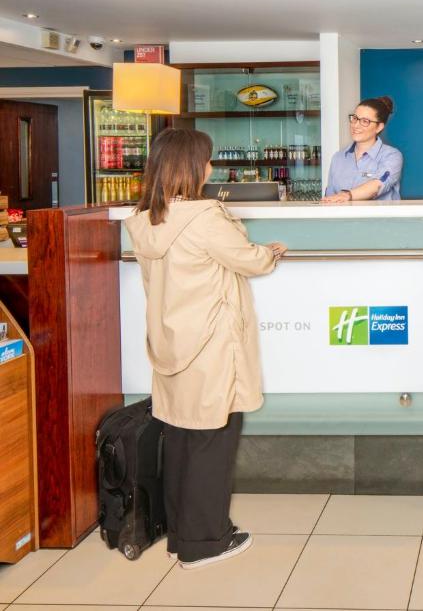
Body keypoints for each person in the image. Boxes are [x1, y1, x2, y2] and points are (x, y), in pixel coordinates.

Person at [124, 128, 286, 569]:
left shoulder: (145, 220)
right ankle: (205, 542)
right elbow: (249, 259)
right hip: (211, 344)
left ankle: (181, 534)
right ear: (192, 167)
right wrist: (271, 252)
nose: (212, 168)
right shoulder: (205, 217)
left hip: (172, 345)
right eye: (207, 161)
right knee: (212, 441)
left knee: (179, 438)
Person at [322, 96, 403, 203]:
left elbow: (378, 185)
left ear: (379, 127)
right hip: (344, 219)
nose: (355, 125)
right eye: (354, 118)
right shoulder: (338, 158)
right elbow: (329, 199)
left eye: (365, 121)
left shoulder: (392, 156)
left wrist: (348, 195)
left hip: (379, 220)